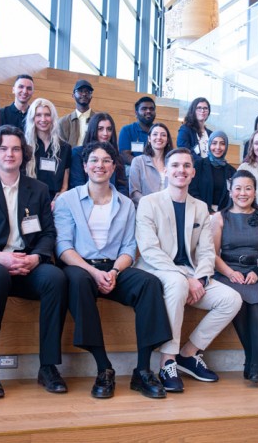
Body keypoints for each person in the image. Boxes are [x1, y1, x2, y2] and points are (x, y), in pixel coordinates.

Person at [0, 125, 68, 399]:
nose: (10, 154)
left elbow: (48, 233)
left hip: (25, 263)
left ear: (24, 154)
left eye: (16, 148)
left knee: (56, 278)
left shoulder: (38, 189)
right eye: (3, 148)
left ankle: (48, 366)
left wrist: (34, 258)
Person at [54, 141, 172, 399]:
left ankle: (142, 370)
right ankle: (104, 367)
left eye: (106, 160)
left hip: (113, 267)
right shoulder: (68, 200)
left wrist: (115, 272)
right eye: (94, 160)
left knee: (149, 283)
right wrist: (94, 272)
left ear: (114, 166)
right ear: (85, 166)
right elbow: (63, 247)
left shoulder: (126, 204)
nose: (100, 165)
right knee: (77, 281)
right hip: (80, 265)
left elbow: (129, 248)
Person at [135, 148, 242, 392]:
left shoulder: (201, 208)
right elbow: (150, 251)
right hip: (157, 270)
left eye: (186, 166)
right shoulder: (148, 203)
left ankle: (188, 353)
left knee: (231, 299)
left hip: (192, 273)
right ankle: (167, 362)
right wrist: (187, 278)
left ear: (193, 172)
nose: (180, 170)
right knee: (177, 283)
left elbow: (206, 251)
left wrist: (201, 279)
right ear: (165, 170)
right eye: (175, 165)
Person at [210, 170, 258, 383]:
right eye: (238, 188)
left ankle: (255, 362)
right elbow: (213, 254)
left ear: (255, 192)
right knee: (238, 300)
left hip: (257, 272)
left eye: (248, 188)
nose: (243, 193)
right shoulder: (220, 217)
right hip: (227, 271)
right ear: (230, 191)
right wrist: (230, 273)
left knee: (256, 303)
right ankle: (252, 360)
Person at [24, 97, 72, 206]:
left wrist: (57, 201)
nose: (43, 119)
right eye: (38, 115)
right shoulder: (25, 147)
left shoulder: (65, 148)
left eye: (47, 115)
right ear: (32, 118)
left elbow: (64, 185)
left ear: (53, 118)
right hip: (29, 200)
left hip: (56, 203)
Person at [69, 112, 128, 195]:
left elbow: (123, 187)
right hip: (84, 201)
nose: (105, 133)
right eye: (100, 129)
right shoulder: (78, 153)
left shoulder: (117, 157)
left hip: (113, 203)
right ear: (93, 130)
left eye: (109, 129)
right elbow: (77, 184)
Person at [189, 130, 236, 213]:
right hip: (200, 213)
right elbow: (192, 191)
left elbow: (233, 197)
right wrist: (208, 211)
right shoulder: (199, 165)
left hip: (224, 216)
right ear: (209, 144)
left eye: (222, 143)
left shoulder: (232, 171)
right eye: (214, 143)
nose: (218, 147)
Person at [128, 122, 173, 206]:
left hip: (169, 210)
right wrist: (151, 206)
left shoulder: (173, 163)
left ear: (167, 140)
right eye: (155, 134)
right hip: (146, 210)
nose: (159, 137)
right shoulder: (138, 161)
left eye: (163, 135)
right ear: (149, 138)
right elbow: (134, 192)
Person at [119, 97, 156, 166]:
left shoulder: (159, 131)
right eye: (144, 109)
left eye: (151, 109)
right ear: (136, 113)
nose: (148, 111)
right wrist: (143, 167)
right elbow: (124, 155)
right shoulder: (127, 130)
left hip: (155, 168)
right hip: (133, 168)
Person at [59, 79, 95, 147]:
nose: (84, 94)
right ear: (73, 95)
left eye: (87, 91)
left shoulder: (98, 120)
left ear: (91, 96)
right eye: (80, 91)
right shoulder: (63, 122)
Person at [176, 97, 213, 162]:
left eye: (205, 108)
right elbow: (184, 150)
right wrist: (205, 164)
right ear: (193, 110)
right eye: (199, 108)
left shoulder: (211, 134)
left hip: (209, 170)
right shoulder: (185, 130)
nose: (202, 111)